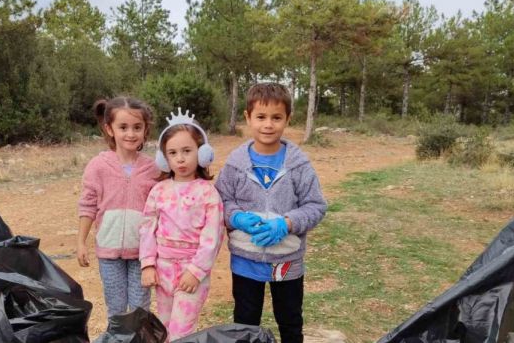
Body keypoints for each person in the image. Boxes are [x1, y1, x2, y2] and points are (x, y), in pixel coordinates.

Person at [215, 83, 327, 343]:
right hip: (245, 259)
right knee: (245, 323)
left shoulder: (299, 165)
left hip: (286, 261)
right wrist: (236, 217)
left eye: (276, 118)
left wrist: (287, 223)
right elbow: (221, 200)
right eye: (261, 117)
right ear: (248, 118)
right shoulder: (235, 164)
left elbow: (316, 205)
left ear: (288, 119)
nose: (268, 125)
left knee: (290, 321)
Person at [139, 108, 224, 341]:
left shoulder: (208, 193)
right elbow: (147, 228)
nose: (180, 158)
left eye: (187, 151)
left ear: (202, 153)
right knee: (164, 329)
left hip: (192, 271)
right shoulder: (158, 191)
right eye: (173, 153)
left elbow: (212, 238)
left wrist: (196, 272)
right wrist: (148, 264)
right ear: (163, 158)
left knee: (181, 332)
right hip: (163, 270)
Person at [76, 96, 159, 318]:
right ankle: (118, 335)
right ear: (109, 129)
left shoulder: (153, 169)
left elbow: (161, 209)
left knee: (140, 307)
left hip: (142, 253)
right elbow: (88, 205)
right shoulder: (98, 166)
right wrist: (81, 242)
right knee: (116, 307)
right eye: (123, 127)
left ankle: (139, 336)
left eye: (137, 127)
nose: (130, 133)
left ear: (145, 130)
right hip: (108, 251)